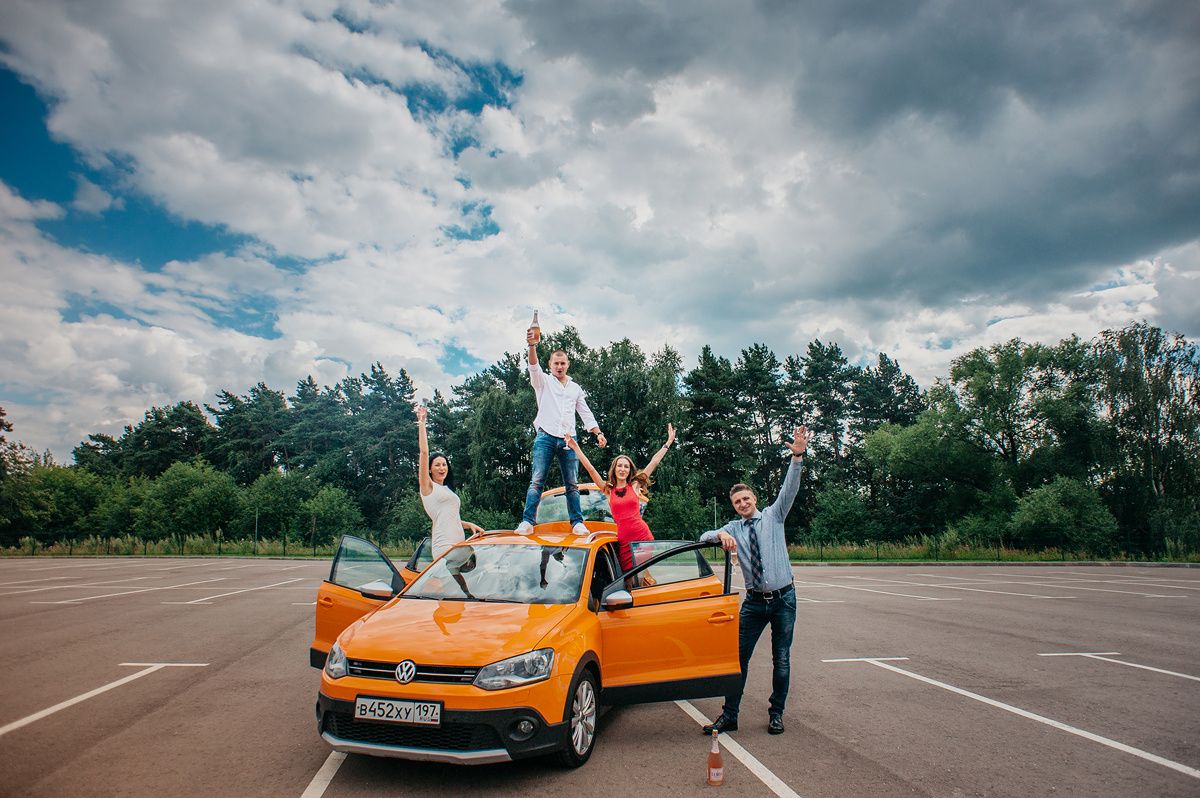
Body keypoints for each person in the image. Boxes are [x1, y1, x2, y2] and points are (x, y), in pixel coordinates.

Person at [699, 424, 810, 736]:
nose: (742, 504)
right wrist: (720, 533)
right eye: (737, 502)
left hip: (784, 599)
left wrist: (797, 458)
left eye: (746, 499)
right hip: (754, 603)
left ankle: (776, 714)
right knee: (737, 659)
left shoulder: (774, 516)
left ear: (754, 498)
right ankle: (730, 715)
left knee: (782, 660)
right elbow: (704, 536)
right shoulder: (734, 528)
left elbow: (789, 489)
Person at [515, 326, 607, 535]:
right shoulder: (543, 381)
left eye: (562, 363)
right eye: (555, 363)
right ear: (550, 364)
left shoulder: (575, 388)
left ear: (567, 365)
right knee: (537, 480)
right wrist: (531, 345)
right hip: (545, 436)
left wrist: (598, 432)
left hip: (569, 440)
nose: (559, 366)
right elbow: (533, 366)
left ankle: (576, 523)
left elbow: (585, 411)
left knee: (572, 483)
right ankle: (528, 521)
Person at [564, 423, 676, 573]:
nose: (622, 469)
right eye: (620, 466)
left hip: (642, 538)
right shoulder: (608, 490)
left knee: (638, 579)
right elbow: (590, 469)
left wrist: (668, 442)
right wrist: (576, 447)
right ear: (614, 469)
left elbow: (654, 462)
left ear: (630, 470)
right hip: (623, 543)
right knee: (626, 581)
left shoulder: (635, 486)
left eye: (626, 466)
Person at [417, 404, 484, 559]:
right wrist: (422, 422)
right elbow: (424, 452)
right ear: (429, 469)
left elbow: (450, 518)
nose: (442, 468)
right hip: (444, 545)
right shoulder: (428, 487)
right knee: (454, 583)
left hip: (459, 543)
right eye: (437, 465)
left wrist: (469, 525)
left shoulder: (447, 490)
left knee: (463, 584)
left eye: (444, 464)